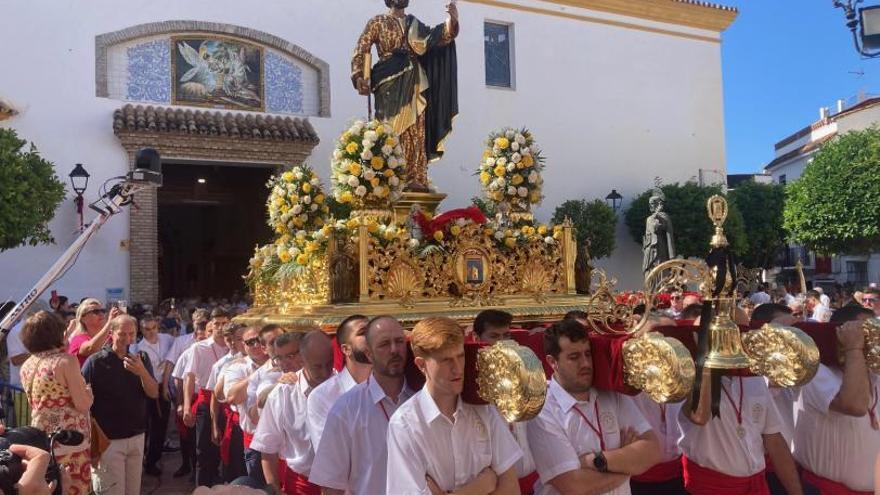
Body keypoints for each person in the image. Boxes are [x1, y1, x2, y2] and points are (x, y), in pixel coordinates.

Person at [386, 316, 523, 494]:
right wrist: (480, 487)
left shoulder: (484, 409)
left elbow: (511, 488)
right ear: (421, 365)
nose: (457, 368)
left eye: (460, 356)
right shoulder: (405, 425)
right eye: (446, 360)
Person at [526, 319, 660, 495]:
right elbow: (575, 486)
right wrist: (628, 465)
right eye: (574, 357)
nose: (586, 364)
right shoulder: (542, 410)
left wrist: (596, 461)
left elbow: (652, 450)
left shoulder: (611, 394)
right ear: (552, 362)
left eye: (588, 354)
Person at [351, 0, 459, 191]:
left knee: (416, 130)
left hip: (415, 83)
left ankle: (415, 176)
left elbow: (439, 37)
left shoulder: (414, 23)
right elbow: (362, 48)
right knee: (391, 130)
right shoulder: (378, 21)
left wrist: (452, 19)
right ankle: (390, 177)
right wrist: (360, 75)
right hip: (388, 85)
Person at [311, 316, 415, 494]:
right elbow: (331, 484)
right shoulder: (346, 409)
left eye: (399, 341)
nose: (394, 350)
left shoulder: (420, 397)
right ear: (369, 354)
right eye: (384, 344)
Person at [794, 306, 878, 494]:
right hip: (828, 489)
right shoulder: (816, 372)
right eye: (867, 332)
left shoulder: (874, 372)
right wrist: (854, 348)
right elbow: (854, 405)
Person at [679, 367, 802, 495]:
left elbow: (775, 441)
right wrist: (708, 361)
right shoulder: (689, 376)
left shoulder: (755, 378)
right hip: (711, 488)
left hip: (755, 487)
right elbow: (699, 416)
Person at [82, 314, 159, 495]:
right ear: (112, 333)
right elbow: (82, 402)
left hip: (137, 438)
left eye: (131, 334)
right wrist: (91, 446)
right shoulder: (96, 362)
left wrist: (141, 372)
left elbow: (154, 392)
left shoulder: (141, 358)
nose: (127, 339)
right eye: (122, 334)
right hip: (108, 442)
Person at [19, 311, 93, 495]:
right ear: (55, 333)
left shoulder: (27, 365)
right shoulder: (65, 361)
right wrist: (89, 393)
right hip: (71, 441)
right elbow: (82, 404)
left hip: (42, 440)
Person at [252, 331, 334, 495]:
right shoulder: (282, 393)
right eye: (280, 358)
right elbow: (267, 447)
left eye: (290, 355)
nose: (285, 362)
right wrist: (274, 489)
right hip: (301, 485)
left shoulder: (347, 388)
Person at [473, 310, 537, 493]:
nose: (502, 343)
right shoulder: (473, 390)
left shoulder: (526, 378)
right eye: (494, 336)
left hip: (534, 483)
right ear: (477, 339)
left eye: (506, 335)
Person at [306, 315, 371, 452]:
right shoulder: (322, 397)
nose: (372, 337)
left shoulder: (393, 386)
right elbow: (328, 455)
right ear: (346, 349)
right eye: (363, 333)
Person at [183, 308, 231, 487]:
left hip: (227, 403)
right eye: (216, 323)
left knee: (225, 452)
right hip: (205, 401)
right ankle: (202, 488)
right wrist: (187, 406)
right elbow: (189, 376)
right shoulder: (199, 347)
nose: (220, 327)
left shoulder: (233, 347)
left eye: (224, 323)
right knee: (204, 452)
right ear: (210, 324)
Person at [169, 311, 210, 479]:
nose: (201, 342)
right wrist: (181, 403)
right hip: (190, 398)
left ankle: (205, 470)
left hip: (208, 398)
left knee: (204, 439)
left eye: (204, 338)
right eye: (198, 339)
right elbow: (179, 378)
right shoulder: (188, 351)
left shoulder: (215, 350)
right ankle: (189, 466)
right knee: (188, 437)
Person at [131, 315, 174, 476]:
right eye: (147, 329)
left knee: (160, 427)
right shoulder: (137, 347)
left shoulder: (167, 339)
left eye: (153, 328)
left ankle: (153, 461)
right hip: (145, 388)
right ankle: (141, 459)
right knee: (145, 426)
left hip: (164, 387)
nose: (151, 332)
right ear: (141, 330)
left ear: (158, 327)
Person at [209, 324, 246, 482]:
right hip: (235, 422)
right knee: (235, 468)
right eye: (238, 340)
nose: (240, 343)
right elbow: (216, 396)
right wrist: (214, 425)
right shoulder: (224, 365)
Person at [68, 299, 120, 366]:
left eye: (102, 311)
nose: (101, 314)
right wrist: (109, 323)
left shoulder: (111, 336)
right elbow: (91, 349)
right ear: (83, 318)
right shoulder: (78, 339)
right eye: (96, 311)